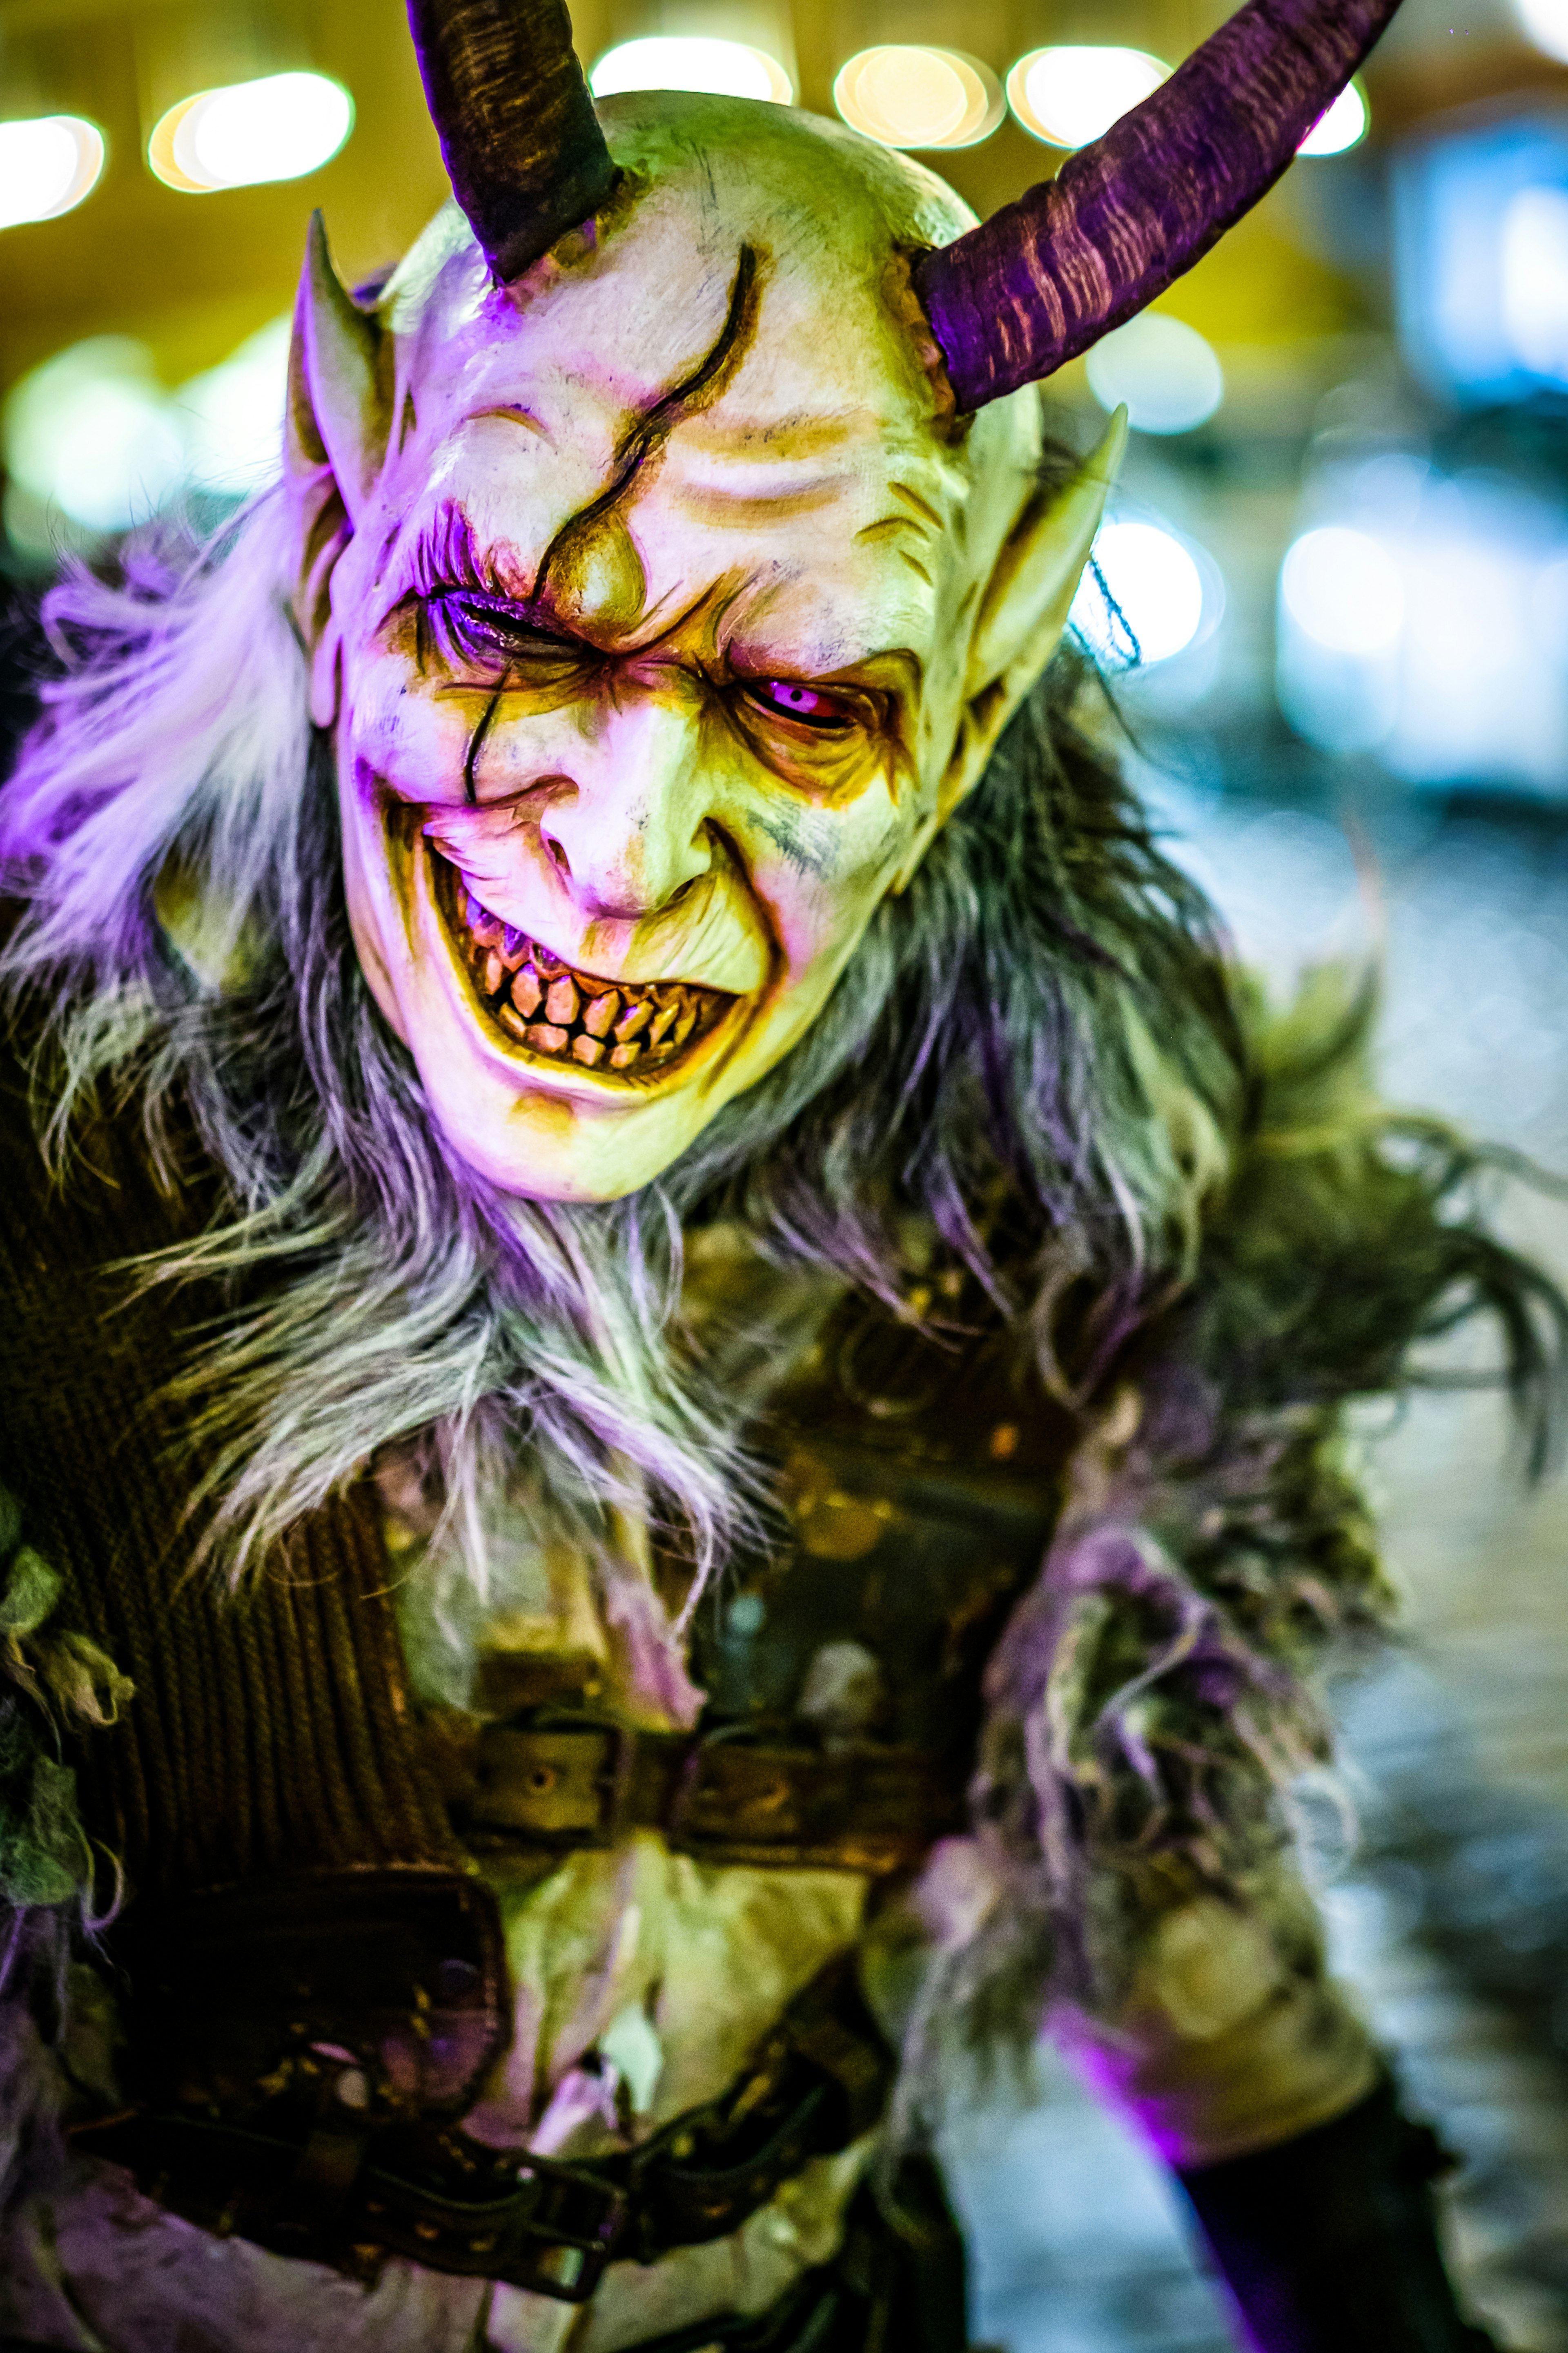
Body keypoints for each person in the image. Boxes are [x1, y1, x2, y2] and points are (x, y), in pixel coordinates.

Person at [0, 2, 1557, 2346]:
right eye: (511, 625)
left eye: (811, 696)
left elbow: (1199, 1965)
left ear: (981, 689)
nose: (624, 857)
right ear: (332, 553)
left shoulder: (1045, 1265)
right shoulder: (43, 1214)